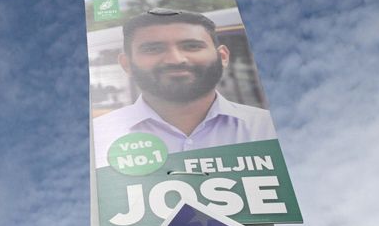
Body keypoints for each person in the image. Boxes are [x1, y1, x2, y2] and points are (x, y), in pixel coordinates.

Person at [93, 9, 277, 168]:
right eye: (153, 49)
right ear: (127, 64)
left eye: (192, 46)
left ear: (222, 57)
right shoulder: (99, 137)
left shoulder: (266, 128)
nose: (175, 59)